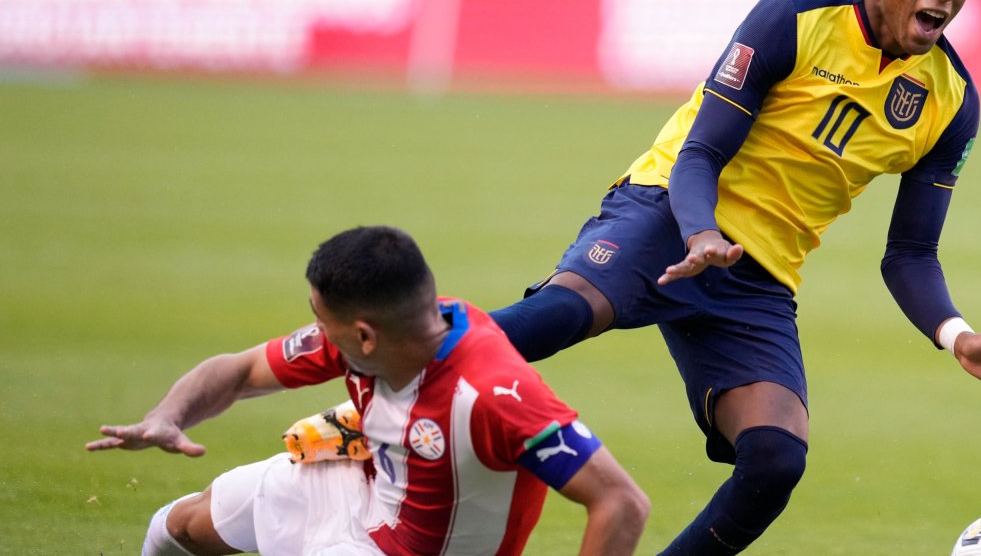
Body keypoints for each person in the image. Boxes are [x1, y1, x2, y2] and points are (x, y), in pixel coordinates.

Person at [488, 0, 981, 555]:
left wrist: (957, 336)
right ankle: (375, 370)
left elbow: (911, 255)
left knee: (777, 459)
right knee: (552, 319)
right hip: (669, 213)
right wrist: (700, 233)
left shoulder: (951, 100)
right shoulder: (795, 15)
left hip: (758, 276)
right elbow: (701, 151)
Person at [86, 226, 649, 556]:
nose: (312, 326)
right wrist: (169, 414)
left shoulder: (494, 393)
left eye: (318, 315)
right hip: (364, 490)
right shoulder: (366, 337)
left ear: (364, 334)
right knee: (179, 525)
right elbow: (239, 369)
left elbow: (622, 503)